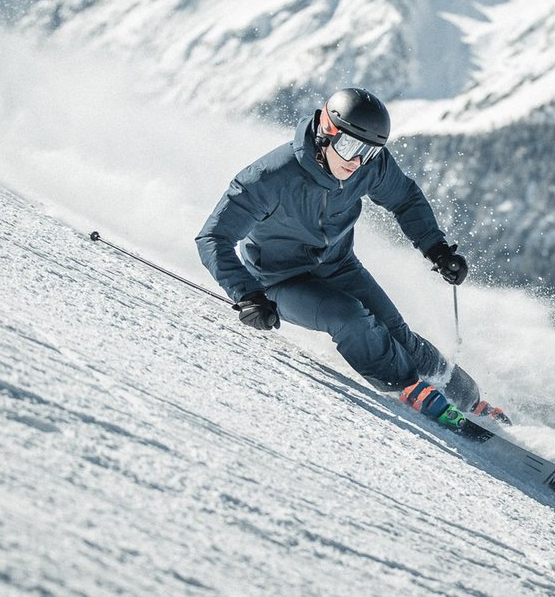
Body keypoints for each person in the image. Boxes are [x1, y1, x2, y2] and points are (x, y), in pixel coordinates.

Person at [196, 87, 509, 429]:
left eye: (370, 152)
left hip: (338, 265)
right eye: (349, 147)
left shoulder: (366, 167)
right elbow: (214, 236)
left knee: (400, 336)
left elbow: (404, 198)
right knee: (349, 317)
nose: (356, 161)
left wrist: (435, 247)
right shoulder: (270, 178)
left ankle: (470, 401)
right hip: (278, 282)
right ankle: (408, 389)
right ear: (326, 132)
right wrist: (247, 294)